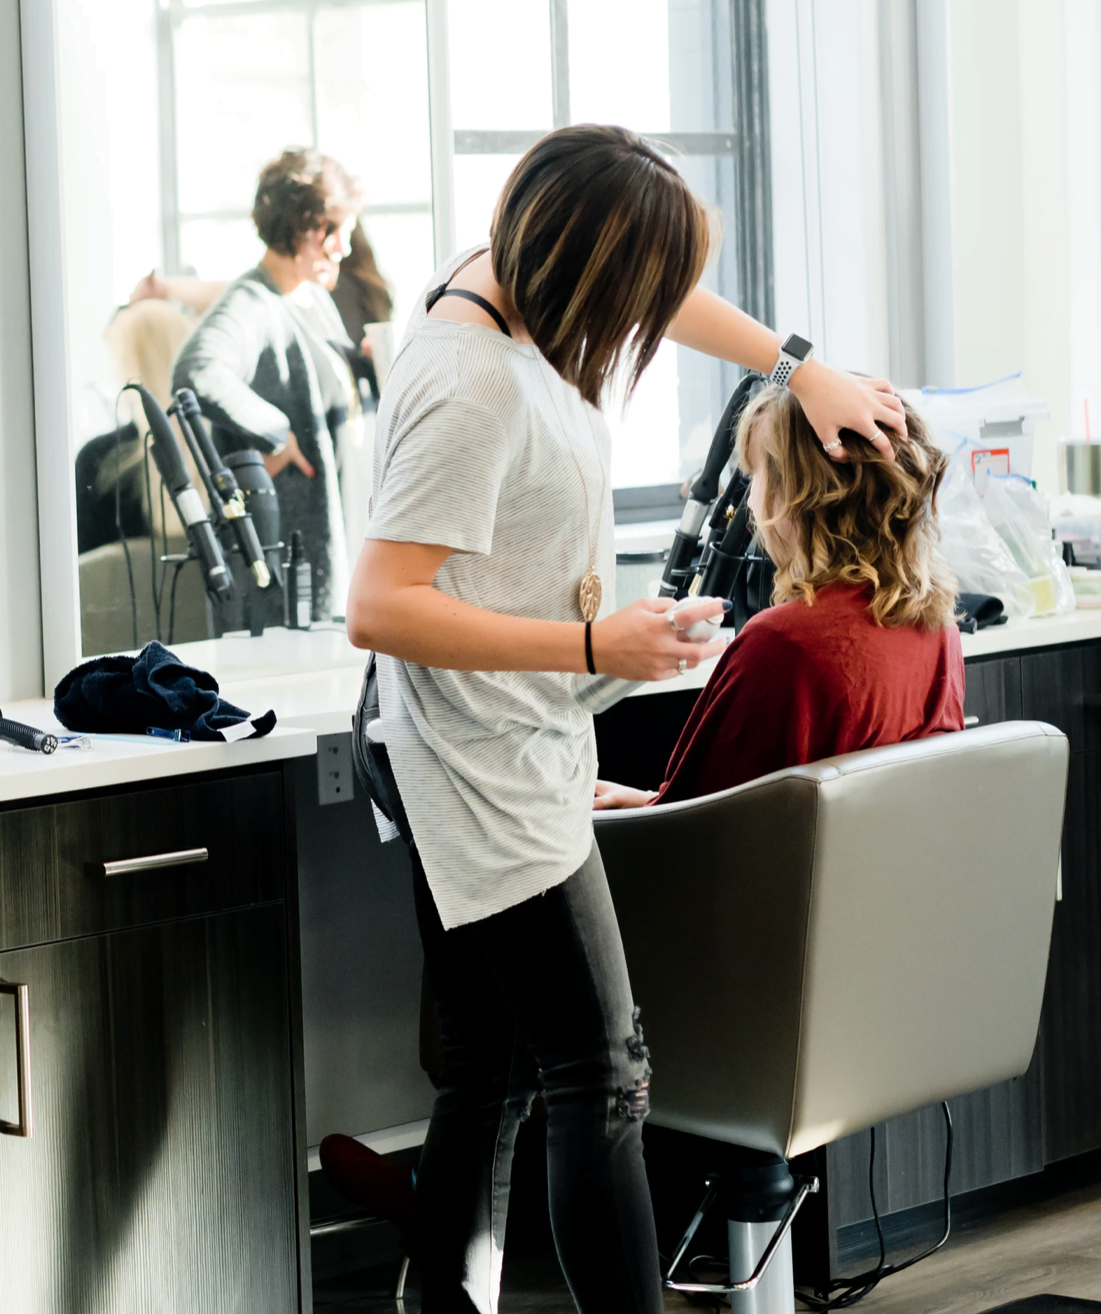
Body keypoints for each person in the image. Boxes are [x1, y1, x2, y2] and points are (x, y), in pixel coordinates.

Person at [345, 123, 906, 1314]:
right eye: (637, 296)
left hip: (515, 732)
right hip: (481, 759)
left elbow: (673, 300)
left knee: (491, 1073)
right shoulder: (473, 383)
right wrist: (596, 647)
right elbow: (380, 607)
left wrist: (794, 365)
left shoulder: (497, 278)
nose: (650, 323)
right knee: (600, 1074)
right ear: (580, 270)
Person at [594, 387, 965, 812]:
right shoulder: (939, 630)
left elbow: (700, 829)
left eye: (756, 477)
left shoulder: (783, 643)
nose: (750, 500)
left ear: (798, 495)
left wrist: (646, 810)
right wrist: (648, 802)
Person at [171, 148, 367, 621]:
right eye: (331, 232)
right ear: (301, 228)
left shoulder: (312, 297)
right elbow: (196, 372)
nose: (343, 247)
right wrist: (277, 431)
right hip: (286, 548)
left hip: (335, 529)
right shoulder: (251, 304)